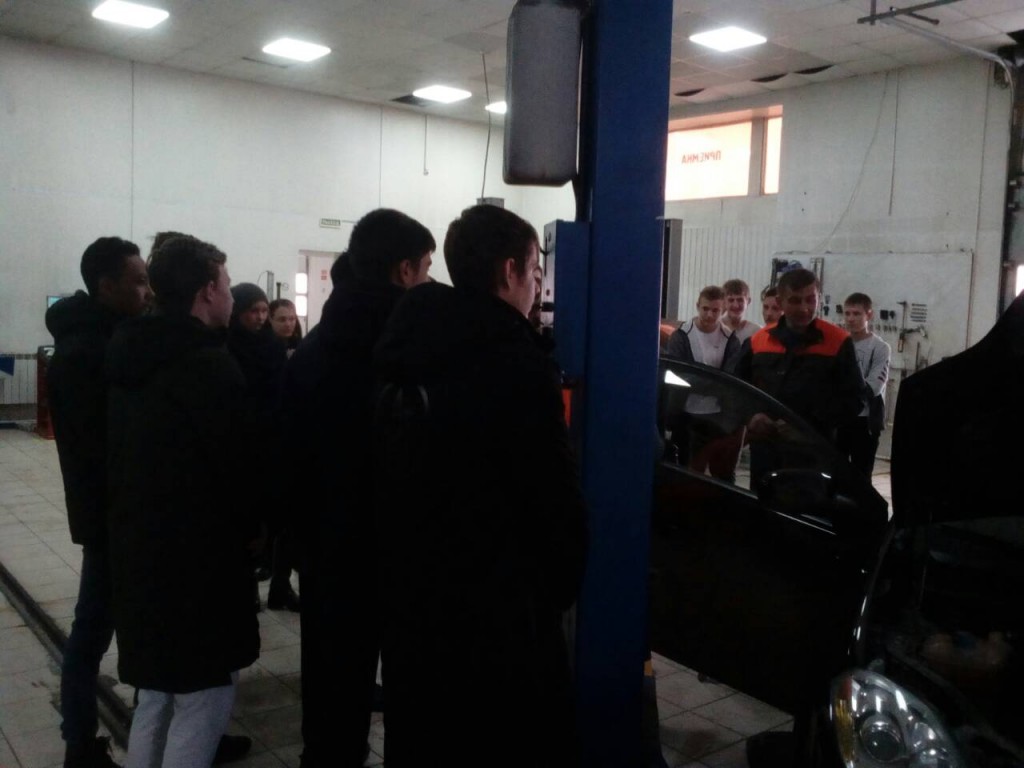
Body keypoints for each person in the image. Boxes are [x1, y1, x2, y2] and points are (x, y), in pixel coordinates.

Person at [373, 204, 588, 767]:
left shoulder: (403, 347)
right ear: (511, 270)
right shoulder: (514, 363)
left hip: (417, 601)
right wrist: (560, 582)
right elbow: (552, 495)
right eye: (535, 270)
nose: (537, 286)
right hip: (500, 612)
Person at [280, 208, 435, 768]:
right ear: (403, 271)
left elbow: (288, 456)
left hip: (327, 553)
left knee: (331, 687)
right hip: (403, 555)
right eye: (425, 269)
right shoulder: (416, 354)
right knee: (414, 693)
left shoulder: (313, 349)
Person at [105, 234, 261, 768]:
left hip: (139, 554)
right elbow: (236, 474)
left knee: (156, 696)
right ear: (205, 292)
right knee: (203, 700)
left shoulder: (129, 356)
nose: (232, 297)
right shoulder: (206, 368)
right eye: (226, 285)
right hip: (198, 565)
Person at [46, 237, 152, 768]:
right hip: (113, 514)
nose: (147, 291)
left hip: (112, 511)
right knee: (93, 630)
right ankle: (79, 744)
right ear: (106, 286)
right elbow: (106, 447)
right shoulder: (91, 353)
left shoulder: (99, 338)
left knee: (113, 625)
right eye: (139, 281)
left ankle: (104, 734)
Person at [735, 268, 864, 444]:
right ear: (780, 302)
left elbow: (855, 398)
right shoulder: (757, 342)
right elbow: (736, 390)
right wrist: (751, 415)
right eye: (795, 301)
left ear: (819, 298)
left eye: (811, 300)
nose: (804, 308)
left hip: (817, 448)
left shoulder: (839, 342)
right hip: (767, 447)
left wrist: (808, 425)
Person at [226, 284, 293, 612]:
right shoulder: (227, 346)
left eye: (264, 311)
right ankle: (247, 588)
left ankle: (280, 585)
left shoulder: (272, 346)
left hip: (275, 444)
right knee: (246, 525)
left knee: (280, 521)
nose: (260, 317)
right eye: (253, 311)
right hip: (243, 446)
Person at [663, 285, 742, 479]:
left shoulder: (730, 339)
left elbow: (730, 380)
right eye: (705, 309)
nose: (709, 315)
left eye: (715, 310)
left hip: (718, 416)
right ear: (698, 306)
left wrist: (699, 380)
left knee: (722, 473)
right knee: (685, 471)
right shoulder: (682, 336)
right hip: (685, 412)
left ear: (723, 310)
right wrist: (714, 380)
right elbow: (676, 375)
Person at [836, 292, 891, 476]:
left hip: (865, 422)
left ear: (869, 315)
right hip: (840, 419)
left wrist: (843, 389)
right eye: (847, 313)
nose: (851, 319)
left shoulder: (880, 348)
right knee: (836, 474)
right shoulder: (837, 344)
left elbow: (874, 387)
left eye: (857, 314)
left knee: (861, 476)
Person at [721, 278, 761, 345]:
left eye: (740, 300)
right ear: (723, 302)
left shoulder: (755, 331)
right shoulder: (715, 328)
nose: (736, 305)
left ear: (748, 301)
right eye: (731, 300)